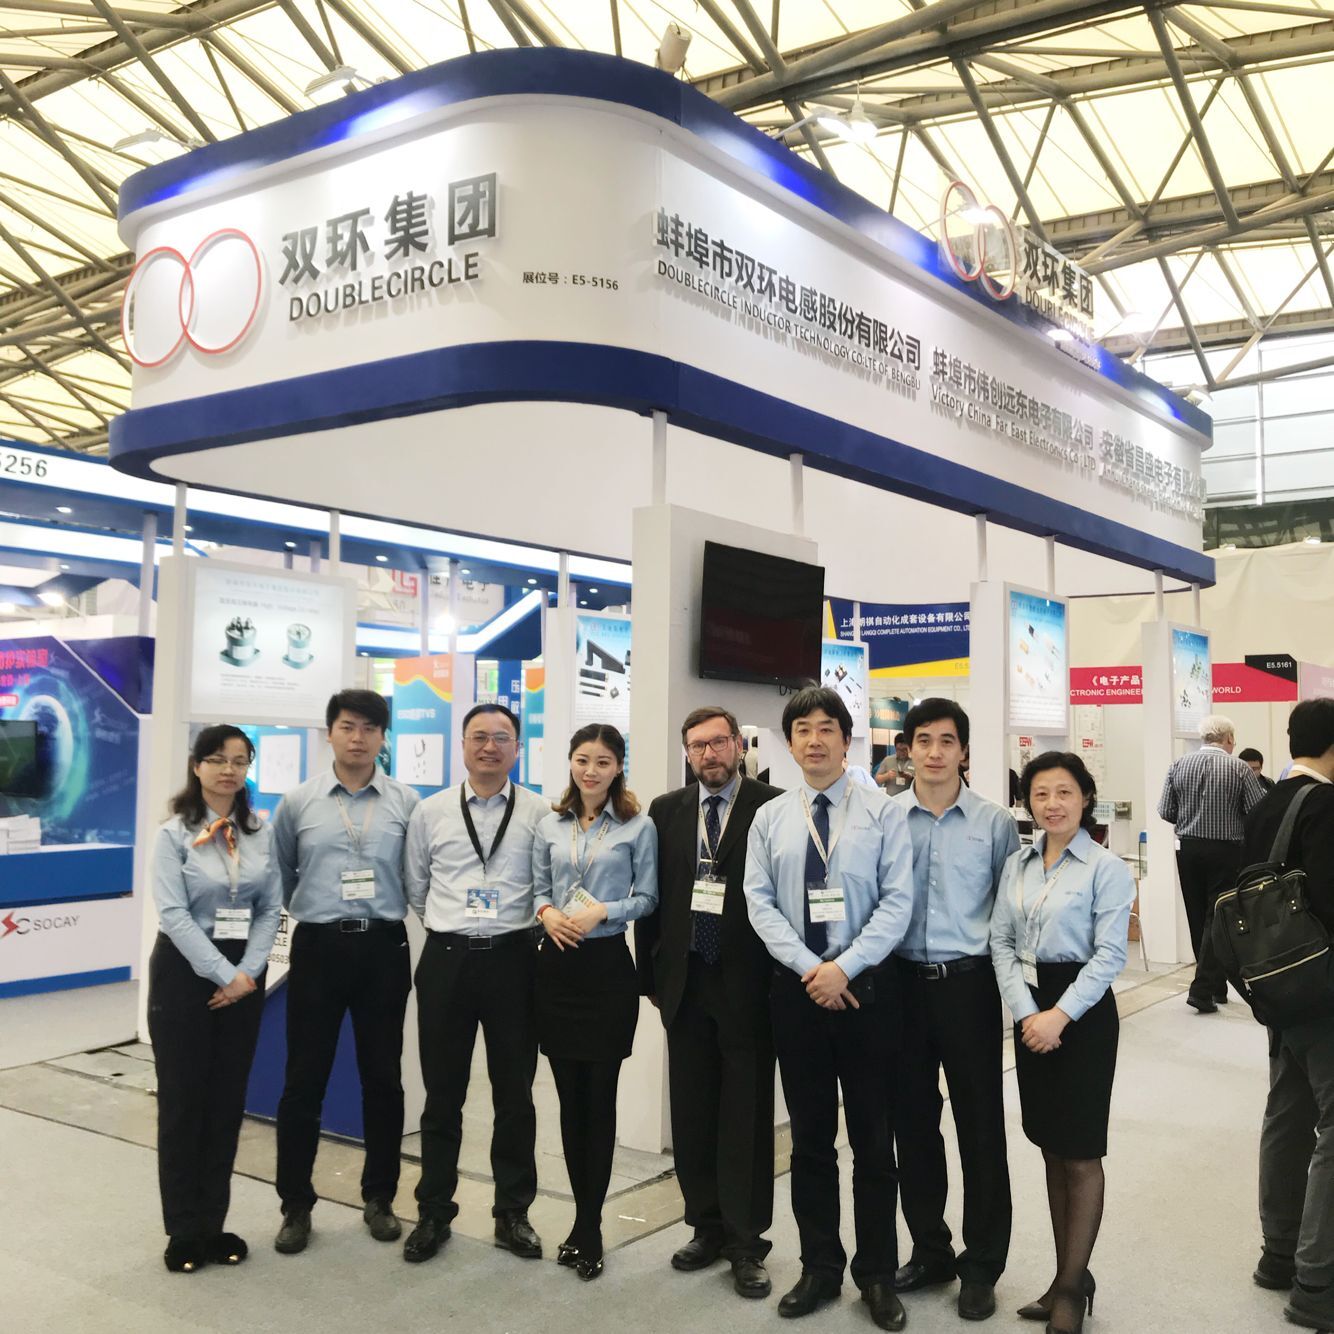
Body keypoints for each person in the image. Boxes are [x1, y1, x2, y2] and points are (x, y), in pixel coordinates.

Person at [744, 686, 915, 1330]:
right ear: (789, 743)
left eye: (826, 728)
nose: (814, 740)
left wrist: (844, 966)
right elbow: (759, 902)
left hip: (868, 992)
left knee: (873, 1139)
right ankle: (819, 1266)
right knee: (810, 1139)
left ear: (847, 739)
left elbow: (897, 902)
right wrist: (810, 969)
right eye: (802, 730)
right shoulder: (770, 817)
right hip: (798, 994)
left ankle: (877, 1274)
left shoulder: (884, 812)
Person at [636, 706, 781, 1298]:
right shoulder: (666, 810)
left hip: (749, 983)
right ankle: (706, 1226)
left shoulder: (771, 807)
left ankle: (747, 1241)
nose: (709, 754)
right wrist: (651, 974)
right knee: (692, 1111)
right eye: (697, 746)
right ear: (687, 753)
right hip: (687, 980)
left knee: (746, 1115)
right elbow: (651, 897)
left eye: (718, 742)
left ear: (739, 745)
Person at [270, 690, 421, 1254]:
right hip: (318, 947)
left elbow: (415, 873)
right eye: (348, 726)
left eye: (370, 728)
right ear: (329, 732)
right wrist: (321, 913)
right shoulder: (298, 803)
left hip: (383, 947)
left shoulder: (406, 802)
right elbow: (284, 874)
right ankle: (295, 1205)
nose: (358, 738)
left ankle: (380, 1197)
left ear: (383, 737)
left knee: (382, 1077)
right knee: (303, 1080)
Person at [402, 702, 551, 1264]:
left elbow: (546, 883)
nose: (490, 747)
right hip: (448, 959)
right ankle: (434, 1211)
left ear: (517, 748)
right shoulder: (431, 811)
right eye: (479, 736)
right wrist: (453, 928)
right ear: (462, 744)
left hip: (516, 960)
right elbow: (416, 885)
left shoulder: (540, 811)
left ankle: (513, 1212)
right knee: (443, 1094)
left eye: (502, 737)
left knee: (515, 1093)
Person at [990, 753, 1133, 1334]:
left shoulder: (1106, 867)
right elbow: (1001, 943)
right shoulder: (1018, 864)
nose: (1053, 804)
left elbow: (1110, 956)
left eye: (1065, 792)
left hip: (1084, 1014)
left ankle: (1073, 1289)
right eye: (1041, 794)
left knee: (1080, 1151)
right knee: (1050, 1145)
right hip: (1031, 1008)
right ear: (1027, 802)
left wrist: (1059, 1017)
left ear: (1085, 798)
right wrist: (1028, 1014)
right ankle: (1063, 1276)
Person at [891, 698, 1020, 1321]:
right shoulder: (886, 818)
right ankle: (931, 1250)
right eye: (924, 740)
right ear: (907, 749)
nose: (935, 752)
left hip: (969, 986)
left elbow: (1008, 913)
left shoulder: (994, 823)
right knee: (912, 1125)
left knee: (979, 1125)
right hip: (900, 988)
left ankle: (982, 1264)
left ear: (964, 751)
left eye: (947, 741)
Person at [148, 724, 281, 1273]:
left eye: (240, 761)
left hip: (243, 975)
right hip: (184, 972)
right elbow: (173, 914)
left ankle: (213, 1222)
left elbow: (270, 908)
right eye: (217, 759)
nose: (229, 770)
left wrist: (247, 973)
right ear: (196, 765)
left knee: (227, 1103)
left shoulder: (259, 832)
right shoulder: (173, 834)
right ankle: (183, 1229)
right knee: (184, 1103)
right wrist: (224, 973)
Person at [534, 724, 658, 1281]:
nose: (591, 770)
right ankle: (581, 1218)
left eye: (603, 761)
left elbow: (648, 897)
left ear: (618, 767)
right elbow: (538, 889)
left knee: (599, 1098)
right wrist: (547, 914)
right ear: (570, 762)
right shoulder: (550, 824)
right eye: (583, 759)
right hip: (556, 968)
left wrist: (604, 911)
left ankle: (589, 1225)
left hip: (608, 971)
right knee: (569, 1101)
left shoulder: (638, 826)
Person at [1242, 699, 1334, 1330]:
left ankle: (1278, 1253)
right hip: (1323, 988)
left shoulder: (1267, 800)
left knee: (1288, 1113)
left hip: (1278, 983)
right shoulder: (1325, 806)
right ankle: (1317, 1283)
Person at [1157, 714, 1266, 1014]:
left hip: (1187, 848)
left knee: (1196, 914)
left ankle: (1214, 986)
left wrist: (1190, 818)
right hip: (1225, 850)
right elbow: (1257, 809)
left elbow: (1165, 810)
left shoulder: (1178, 765)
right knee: (1217, 915)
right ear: (1228, 738)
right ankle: (1203, 988)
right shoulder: (1239, 768)